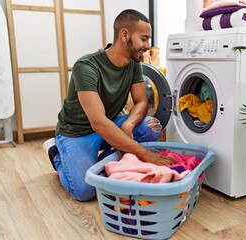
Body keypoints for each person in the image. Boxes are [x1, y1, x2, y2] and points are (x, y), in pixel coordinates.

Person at [43, 9, 175, 201]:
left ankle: (108, 157)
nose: (147, 46)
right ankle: (57, 155)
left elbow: (141, 102)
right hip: (77, 132)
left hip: (111, 123)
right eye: (144, 39)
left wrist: (128, 125)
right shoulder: (86, 66)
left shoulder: (133, 64)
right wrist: (142, 153)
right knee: (85, 190)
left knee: (151, 126)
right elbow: (97, 122)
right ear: (124, 35)